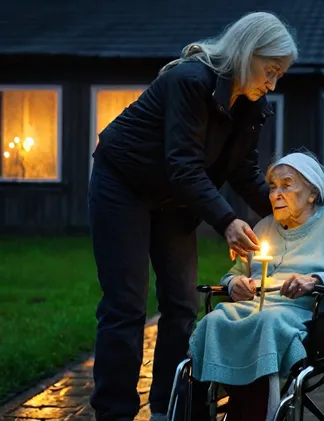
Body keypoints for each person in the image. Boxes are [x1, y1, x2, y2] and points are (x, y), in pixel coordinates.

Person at [86, 12, 298, 421]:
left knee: (182, 304)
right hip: (123, 184)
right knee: (126, 305)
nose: (272, 83)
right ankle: (114, 413)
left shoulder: (253, 105)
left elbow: (242, 170)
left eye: (279, 76)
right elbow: (182, 164)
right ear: (246, 51)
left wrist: (288, 210)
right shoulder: (189, 81)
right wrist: (225, 221)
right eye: (270, 71)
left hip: (176, 199)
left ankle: (168, 408)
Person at [188, 151, 324, 421]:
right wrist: (234, 284)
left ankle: (256, 413)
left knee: (267, 322)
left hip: (307, 314)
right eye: (273, 186)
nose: (275, 193)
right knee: (214, 320)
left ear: (312, 193)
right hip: (255, 307)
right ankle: (204, 410)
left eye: (286, 185)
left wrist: (314, 281)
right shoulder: (264, 226)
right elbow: (232, 274)